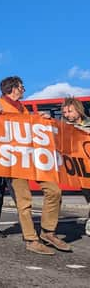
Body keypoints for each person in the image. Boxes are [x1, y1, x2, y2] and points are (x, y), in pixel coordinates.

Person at [0, 76, 70, 255]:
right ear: (13, 89)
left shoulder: (23, 109)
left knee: (54, 191)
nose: (23, 90)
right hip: (13, 161)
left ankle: (47, 232)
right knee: (24, 201)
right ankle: (31, 239)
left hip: (33, 159)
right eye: (22, 87)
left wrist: (42, 118)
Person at [60, 97, 90, 236]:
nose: (67, 115)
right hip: (81, 170)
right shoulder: (62, 128)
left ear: (79, 110)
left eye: (70, 111)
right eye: (65, 112)